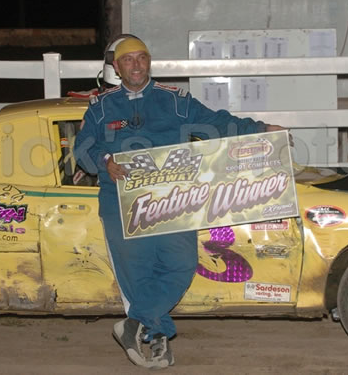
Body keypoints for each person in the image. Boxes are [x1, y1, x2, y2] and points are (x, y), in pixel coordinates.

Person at [73, 36, 285, 369]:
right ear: (116, 66)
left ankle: (133, 324)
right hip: (123, 204)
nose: (136, 65)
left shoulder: (175, 100)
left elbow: (217, 123)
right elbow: (82, 151)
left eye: (142, 58)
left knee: (180, 264)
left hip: (172, 200)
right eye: (128, 60)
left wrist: (260, 128)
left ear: (149, 61)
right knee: (139, 274)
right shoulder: (100, 106)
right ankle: (158, 339)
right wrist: (105, 160)